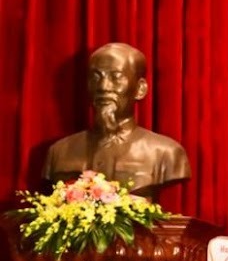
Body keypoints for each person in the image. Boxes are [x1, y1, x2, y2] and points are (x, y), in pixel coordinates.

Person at [43, 42, 190, 199]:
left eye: (116, 77)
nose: (103, 87)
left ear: (140, 89)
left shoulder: (166, 153)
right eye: (96, 77)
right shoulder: (59, 152)